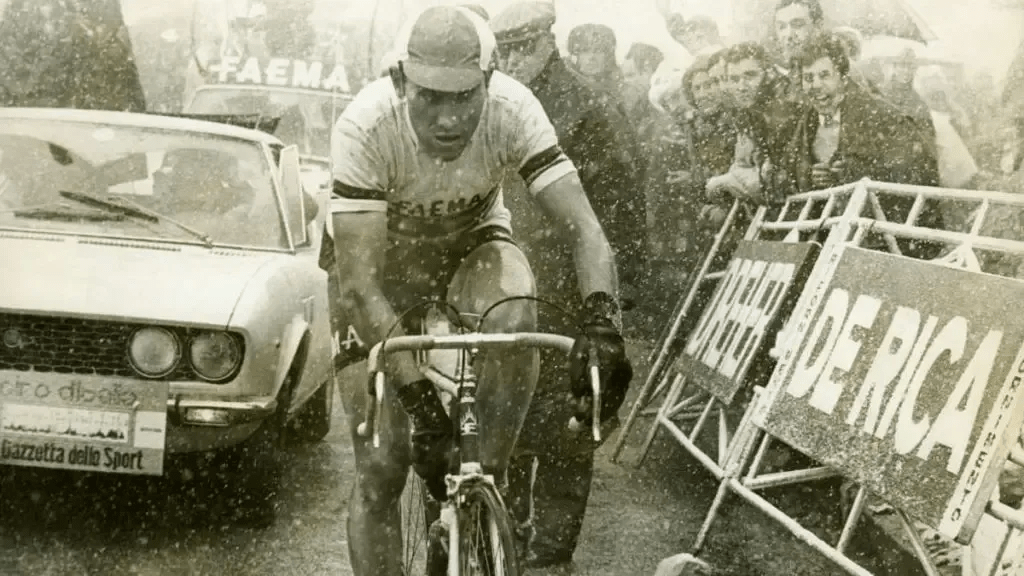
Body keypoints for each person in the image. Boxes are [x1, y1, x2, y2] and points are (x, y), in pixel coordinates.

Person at [328, 6, 633, 576]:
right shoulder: (364, 127)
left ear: (489, 84)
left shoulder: (515, 109)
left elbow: (585, 230)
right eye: (429, 98)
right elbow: (361, 288)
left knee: (517, 311)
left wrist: (602, 326)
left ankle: (482, 485)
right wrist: (420, 405)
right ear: (400, 83)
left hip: (470, 247)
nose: (448, 119)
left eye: (464, 97)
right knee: (382, 468)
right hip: (379, 271)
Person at [488, 2, 639, 568]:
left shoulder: (587, 106)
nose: (515, 59)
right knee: (499, 406)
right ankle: (502, 521)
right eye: (506, 49)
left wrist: (608, 306)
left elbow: (616, 216)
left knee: (564, 422)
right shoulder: (495, 95)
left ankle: (549, 547)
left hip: (562, 279)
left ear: (547, 42)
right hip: (508, 273)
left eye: (524, 46)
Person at [777, 33, 943, 255]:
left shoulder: (880, 115)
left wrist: (857, 174)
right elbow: (789, 169)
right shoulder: (808, 121)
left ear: (843, 78)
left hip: (885, 240)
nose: (815, 86)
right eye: (808, 78)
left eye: (824, 75)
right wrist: (809, 175)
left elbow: (919, 171)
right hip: (833, 238)